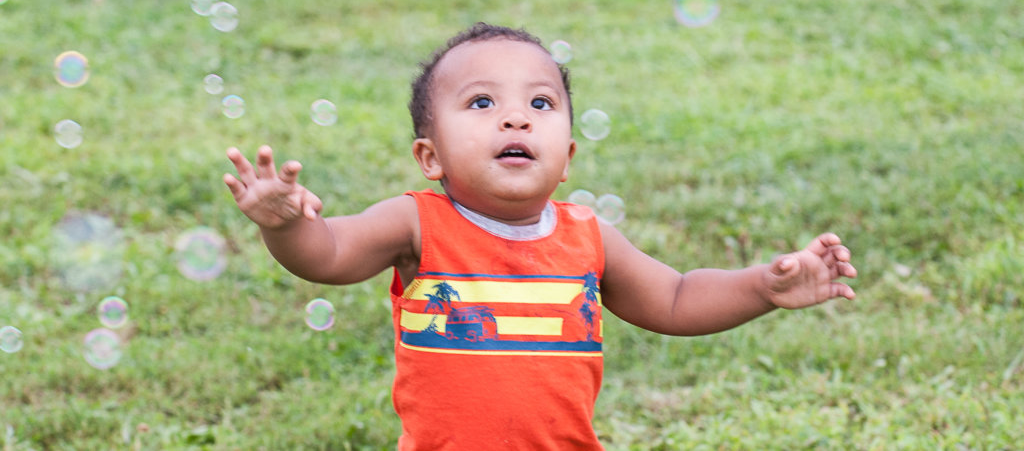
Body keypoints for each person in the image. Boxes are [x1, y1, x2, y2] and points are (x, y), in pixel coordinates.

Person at [224, 22, 856, 450]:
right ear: (430, 156)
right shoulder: (416, 223)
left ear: (568, 155)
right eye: (481, 103)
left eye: (541, 104)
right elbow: (328, 256)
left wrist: (762, 287)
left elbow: (675, 298)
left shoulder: (589, 236)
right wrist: (287, 225)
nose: (515, 118)